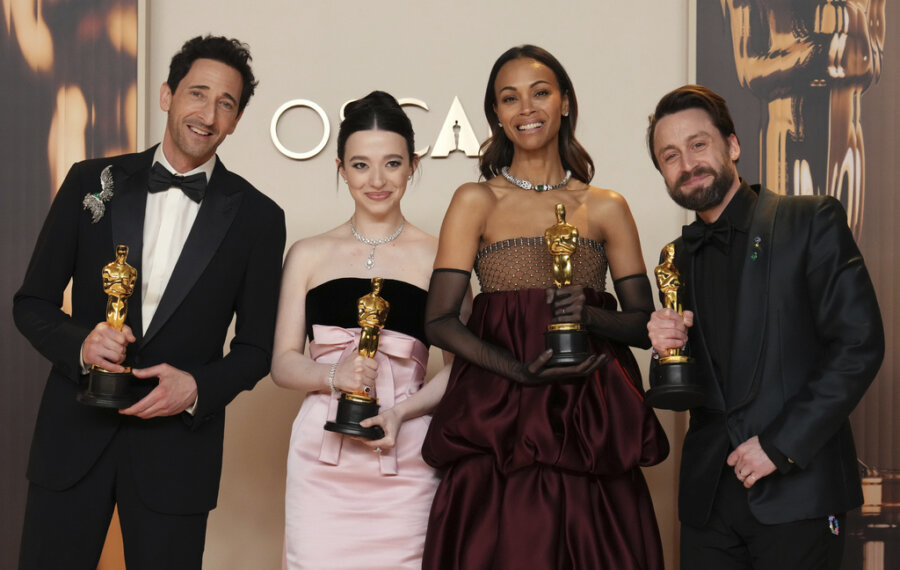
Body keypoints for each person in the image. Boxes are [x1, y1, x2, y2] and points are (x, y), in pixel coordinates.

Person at [13, 35, 286, 569]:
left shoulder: (258, 217)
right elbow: (32, 303)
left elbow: (256, 348)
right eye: (197, 93)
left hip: (176, 456)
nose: (207, 114)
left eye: (225, 104)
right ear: (167, 95)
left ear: (236, 120)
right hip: (71, 441)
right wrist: (81, 345)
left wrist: (196, 390)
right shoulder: (91, 181)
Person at [421, 45, 669, 569]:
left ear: (565, 103)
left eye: (539, 93)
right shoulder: (475, 200)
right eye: (509, 99)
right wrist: (516, 371)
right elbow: (440, 319)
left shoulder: (607, 206)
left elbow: (643, 327)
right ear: (496, 115)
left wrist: (588, 313)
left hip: (590, 417)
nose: (525, 109)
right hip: (498, 416)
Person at [645, 84, 884, 570]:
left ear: (732, 145)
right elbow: (690, 388)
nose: (687, 163)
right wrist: (665, 351)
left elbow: (859, 345)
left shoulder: (809, 220)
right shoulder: (677, 258)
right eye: (670, 155)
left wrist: (779, 446)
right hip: (708, 506)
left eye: (698, 144)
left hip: (797, 490)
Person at [271, 91, 457, 570]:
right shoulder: (307, 254)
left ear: (413, 165)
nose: (377, 181)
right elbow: (284, 363)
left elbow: (461, 373)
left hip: (406, 452)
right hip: (320, 458)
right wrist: (335, 376)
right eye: (360, 165)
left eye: (392, 163)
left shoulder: (441, 258)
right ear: (340, 168)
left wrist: (401, 413)